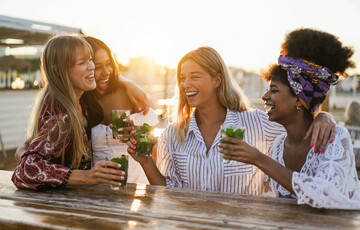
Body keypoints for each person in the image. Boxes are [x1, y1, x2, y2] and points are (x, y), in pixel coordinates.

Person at [128, 46, 336, 194]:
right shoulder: (172, 135)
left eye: (194, 76)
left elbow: (299, 126)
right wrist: (146, 161)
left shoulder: (257, 124)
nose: (185, 84)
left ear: (217, 80)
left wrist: (323, 116)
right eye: (182, 78)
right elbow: (168, 192)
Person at [219, 28, 360, 208]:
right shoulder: (279, 145)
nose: (264, 96)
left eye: (274, 90)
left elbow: (324, 196)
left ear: (299, 99)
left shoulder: (334, 138)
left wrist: (258, 159)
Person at [12, 34, 126, 190]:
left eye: (90, 60)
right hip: (57, 208)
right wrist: (86, 177)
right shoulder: (62, 117)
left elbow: (33, 145)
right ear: (58, 71)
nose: (92, 66)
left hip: (76, 202)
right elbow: (27, 168)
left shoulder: (80, 100)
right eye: (82, 63)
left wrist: (130, 85)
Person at [81, 36, 149, 184]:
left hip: (133, 184)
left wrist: (139, 135)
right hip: (94, 190)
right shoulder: (80, 100)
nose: (106, 72)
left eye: (108, 64)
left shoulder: (128, 94)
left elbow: (152, 146)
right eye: (98, 66)